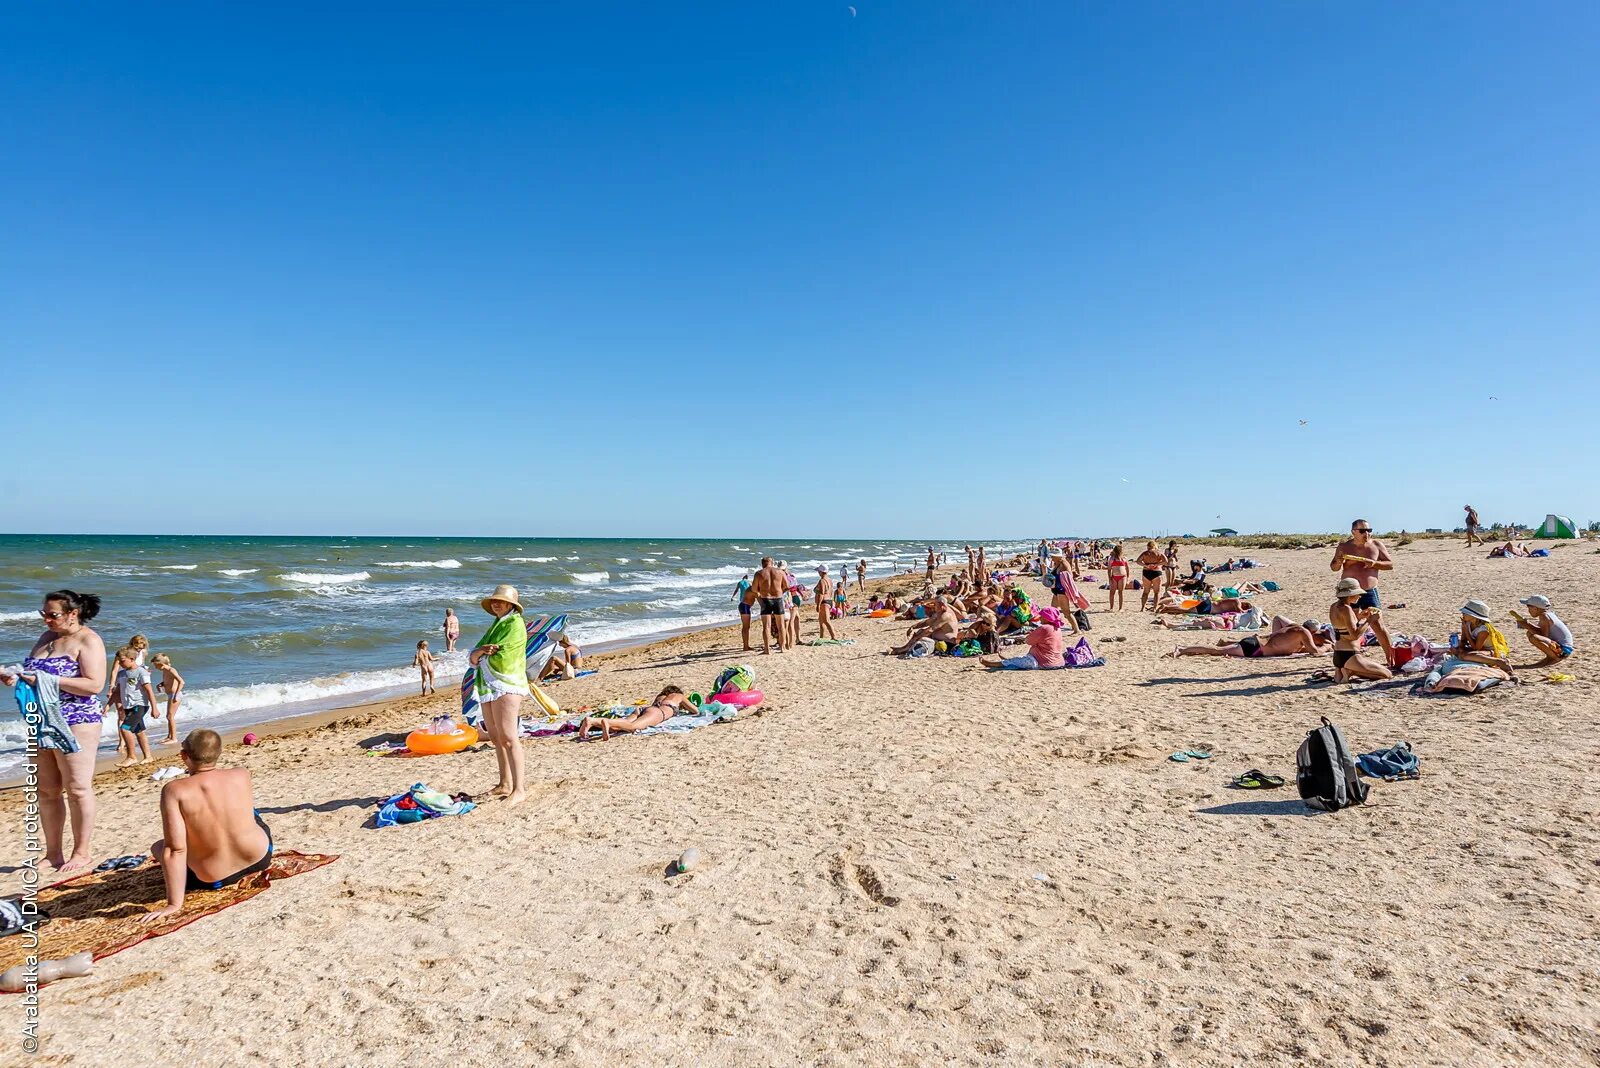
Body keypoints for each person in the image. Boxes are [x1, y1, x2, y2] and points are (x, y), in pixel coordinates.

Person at [0, 590, 107, 872]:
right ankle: (53, 853)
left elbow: (95, 685)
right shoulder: (46, 638)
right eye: (43, 614)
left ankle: (81, 852)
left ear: (73, 614)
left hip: (76, 720)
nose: (46, 619)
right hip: (41, 720)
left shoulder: (89, 639)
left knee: (77, 788)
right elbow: (33, 673)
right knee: (46, 790)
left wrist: (48, 679)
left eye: (52, 614)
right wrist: (15, 676)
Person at [141, 729, 272, 922]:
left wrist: (173, 904)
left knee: (159, 847)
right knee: (252, 814)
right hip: (260, 858)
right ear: (219, 753)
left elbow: (175, 850)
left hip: (213, 878)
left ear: (184, 755)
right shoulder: (241, 774)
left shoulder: (174, 791)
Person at [470, 585, 531, 804]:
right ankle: (504, 783)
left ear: (511, 605)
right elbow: (475, 653)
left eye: (501, 601)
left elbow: (505, 652)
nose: (496, 604)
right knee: (495, 736)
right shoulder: (497, 624)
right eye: (494, 601)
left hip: (507, 682)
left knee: (508, 736)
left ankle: (519, 789)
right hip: (489, 684)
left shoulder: (515, 623)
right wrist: (481, 652)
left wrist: (482, 653)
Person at [1330, 519, 1394, 663]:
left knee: (1378, 624)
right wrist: (1339, 561)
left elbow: (1389, 564)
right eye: (1363, 531)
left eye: (1369, 530)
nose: (1367, 534)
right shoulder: (1344, 547)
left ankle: (1391, 658)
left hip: (1369, 590)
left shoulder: (1376, 545)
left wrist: (1374, 563)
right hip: (1349, 593)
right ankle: (1349, 659)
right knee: (1349, 625)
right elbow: (1334, 567)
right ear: (1353, 532)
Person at [574, 686, 697, 741]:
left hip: (643, 709)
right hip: (658, 713)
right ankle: (606, 721)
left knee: (624, 725)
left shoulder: (660, 697)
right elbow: (695, 710)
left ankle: (593, 721)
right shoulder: (679, 696)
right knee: (633, 727)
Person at [1329, 577, 1391, 681]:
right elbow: (1354, 635)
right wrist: (1370, 620)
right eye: (1358, 594)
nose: (1360, 596)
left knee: (1381, 673)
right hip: (1350, 654)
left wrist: (1360, 617)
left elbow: (1344, 626)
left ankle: (1343, 671)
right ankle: (1350, 671)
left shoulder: (1334, 606)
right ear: (1351, 595)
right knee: (1387, 674)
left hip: (1338, 653)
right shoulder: (1347, 609)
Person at [111, 646, 160, 767]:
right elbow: (116, 692)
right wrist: (108, 706)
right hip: (128, 706)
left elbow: (149, 691)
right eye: (118, 661)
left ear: (132, 658)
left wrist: (154, 707)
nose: (120, 663)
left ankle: (131, 756)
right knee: (139, 731)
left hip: (139, 705)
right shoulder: (121, 674)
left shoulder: (141, 672)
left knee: (125, 728)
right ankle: (148, 756)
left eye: (122, 660)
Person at [1168, 623, 1327, 659]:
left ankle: (1184, 649)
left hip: (1254, 641)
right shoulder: (1304, 634)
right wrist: (1327, 648)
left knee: (1221, 650)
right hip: (1256, 649)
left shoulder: (1294, 627)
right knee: (1217, 652)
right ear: (1313, 631)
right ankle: (1182, 649)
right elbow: (1314, 652)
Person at [980, 607, 1066, 670]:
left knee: (1015, 662)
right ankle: (1005, 660)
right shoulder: (1057, 629)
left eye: (1042, 616)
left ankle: (990, 663)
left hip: (1043, 662)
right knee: (1019, 660)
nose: (1040, 618)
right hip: (1058, 661)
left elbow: (1028, 641)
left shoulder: (1045, 628)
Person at [1511, 595, 1574, 665]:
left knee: (1534, 637)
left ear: (1535, 608)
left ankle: (1554, 657)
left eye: (1529, 607)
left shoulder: (1544, 617)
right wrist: (1527, 624)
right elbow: (1542, 632)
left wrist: (1527, 625)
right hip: (1564, 648)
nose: (1528, 610)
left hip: (1563, 651)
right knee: (1530, 633)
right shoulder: (1548, 614)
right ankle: (1551, 656)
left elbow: (1544, 636)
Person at [1454, 600, 1514, 674]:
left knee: (1465, 656)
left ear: (1474, 616)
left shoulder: (1483, 629)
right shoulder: (1467, 623)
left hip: (1492, 651)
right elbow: (1463, 640)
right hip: (1481, 650)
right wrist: (1459, 647)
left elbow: (1476, 648)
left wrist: (1466, 630)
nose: (1462, 614)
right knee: (1459, 652)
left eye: (1465, 613)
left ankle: (1500, 662)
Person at [749, 558, 789, 655]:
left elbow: (754, 589)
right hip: (778, 599)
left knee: (766, 626)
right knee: (781, 626)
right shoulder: (780, 572)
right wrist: (779, 591)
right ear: (772, 563)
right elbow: (787, 586)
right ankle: (782, 647)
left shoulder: (759, 573)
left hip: (766, 599)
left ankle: (767, 649)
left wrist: (762, 590)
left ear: (762, 564)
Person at [150, 652, 184, 745]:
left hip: (175, 695)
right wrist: (161, 684)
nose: (155, 668)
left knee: (170, 716)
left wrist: (176, 694)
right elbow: (168, 680)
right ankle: (169, 736)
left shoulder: (171, 670)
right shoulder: (165, 671)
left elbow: (181, 682)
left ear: (161, 664)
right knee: (168, 716)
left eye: (156, 665)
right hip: (170, 694)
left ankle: (174, 738)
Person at [1136, 541, 1166, 612]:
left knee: (1146, 591)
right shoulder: (1158, 553)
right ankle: (1154, 608)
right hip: (1156, 572)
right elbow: (1166, 561)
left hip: (1146, 572)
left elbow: (1138, 561)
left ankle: (1142, 608)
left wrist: (1146, 565)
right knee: (1156, 592)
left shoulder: (1145, 553)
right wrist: (1157, 564)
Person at [733, 573, 754, 651]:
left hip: (742, 602)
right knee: (746, 627)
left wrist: (733, 596)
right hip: (745, 606)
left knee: (746, 627)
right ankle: (745, 646)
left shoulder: (740, 582)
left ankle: (746, 645)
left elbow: (736, 590)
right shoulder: (750, 584)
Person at [1106, 545, 1129, 611]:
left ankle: (1120, 608)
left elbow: (1127, 568)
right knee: (1112, 592)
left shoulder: (1124, 559)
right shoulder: (1112, 559)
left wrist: (1127, 577)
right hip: (1114, 577)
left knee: (1120, 592)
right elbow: (1109, 569)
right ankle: (1111, 607)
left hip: (1122, 577)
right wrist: (1110, 578)